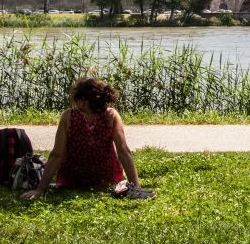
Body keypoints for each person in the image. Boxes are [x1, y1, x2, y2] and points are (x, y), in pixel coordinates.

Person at [21, 78, 153, 199]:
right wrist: (136, 187)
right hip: (106, 178)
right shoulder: (111, 115)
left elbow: (56, 154)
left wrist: (39, 190)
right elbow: (123, 152)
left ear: (83, 100)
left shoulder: (68, 116)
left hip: (72, 179)